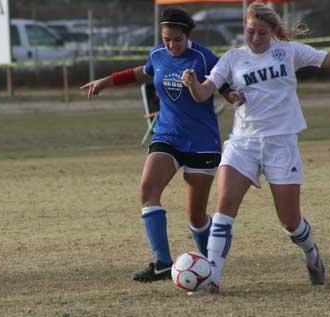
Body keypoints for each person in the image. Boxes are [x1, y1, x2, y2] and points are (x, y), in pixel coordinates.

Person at [181, 2, 330, 294]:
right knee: (224, 208)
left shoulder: (288, 52)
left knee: (290, 221)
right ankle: (211, 278)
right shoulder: (233, 58)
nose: (256, 38)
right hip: (243, 142)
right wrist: (192, 83)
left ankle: (312, 255)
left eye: (262, 33)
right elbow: (203, 94)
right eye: (251, 32)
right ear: (244, 29)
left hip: (281, 142)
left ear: (273, 32)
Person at [81, 8, 230, 283]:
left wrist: (234, 95)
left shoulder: (204, 58)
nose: (171, 45)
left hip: (201, 142)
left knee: (196, 216)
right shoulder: (158, 55)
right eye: (166, 39)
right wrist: (106, 81)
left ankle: (211, 269)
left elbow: (225, 86)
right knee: (148, 190)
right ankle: (162, 262)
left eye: (177, 40)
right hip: (167, 135)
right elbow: (142, 72)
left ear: (188, 36)